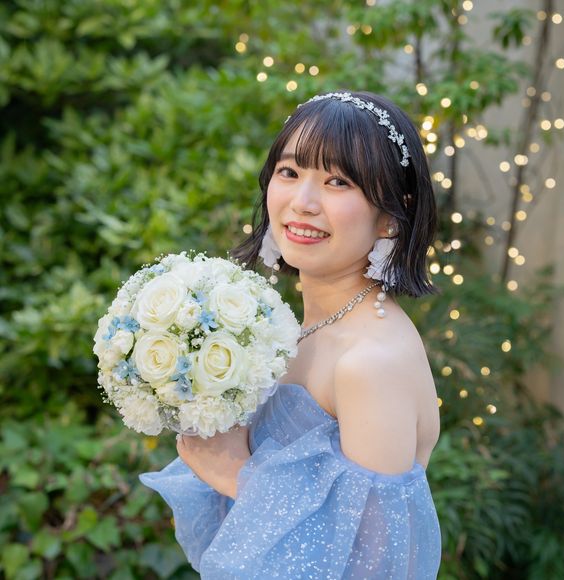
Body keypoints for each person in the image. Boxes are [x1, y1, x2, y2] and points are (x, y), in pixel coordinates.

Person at [140, 90, 442, 579]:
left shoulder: (371, 363)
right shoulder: (296, 329)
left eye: (338, 181)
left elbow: (376, 564)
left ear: (391, 215)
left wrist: (236, 475)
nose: (302, 203)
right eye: (289, 172)